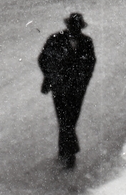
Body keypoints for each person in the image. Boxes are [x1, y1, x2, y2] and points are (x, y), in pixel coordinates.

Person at [38, 12, 97, 168]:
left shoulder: (86, 42)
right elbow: (43, 59)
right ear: (68, 26)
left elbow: (91, 63)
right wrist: (49, 77)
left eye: (77, 27)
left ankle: (64, 148)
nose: (75, 29)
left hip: (77, 88)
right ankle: (70, 153)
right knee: (65, 119)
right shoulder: (55, 40)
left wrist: (84, 81)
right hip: (61, 86)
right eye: (72, 26)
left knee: (69, 119)